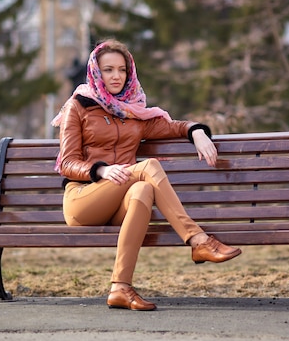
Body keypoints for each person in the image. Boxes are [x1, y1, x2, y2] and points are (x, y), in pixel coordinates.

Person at [52, 39, 241, 311]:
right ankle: (198, 240)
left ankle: (120, 287)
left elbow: (172, 127)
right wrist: (101, 170)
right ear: (96, 72)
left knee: (143, 190)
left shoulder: (134, 112)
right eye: (108, 70)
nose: (116, 76)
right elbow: (67, 162)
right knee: (149, 166)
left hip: (120, 203)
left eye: (122, 70)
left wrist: (196, 131)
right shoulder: (78, 107)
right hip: (84, 199)